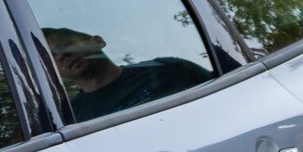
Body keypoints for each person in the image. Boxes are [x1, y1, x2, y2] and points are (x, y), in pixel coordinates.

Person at [41, 26, 208, 121]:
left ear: (97, 41)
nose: (62, 55)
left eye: (65, 45)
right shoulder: (73, 117)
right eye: (53, 56)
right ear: (55, 72)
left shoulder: (168, 69)